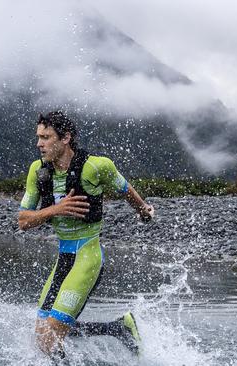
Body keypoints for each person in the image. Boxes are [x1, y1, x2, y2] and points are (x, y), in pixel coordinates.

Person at [18, 111, 155, 359]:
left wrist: (143, 210)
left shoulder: (96, 166)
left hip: (87, 257)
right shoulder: (37, 171)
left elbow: (124, 189)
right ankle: (117, 328)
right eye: (38, 137)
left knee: (49, 340)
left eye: (46, 137)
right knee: (41, 337)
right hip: (63, 258)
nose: (39, 143)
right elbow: (23, 221)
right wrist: (57, 209)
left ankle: (117, 329)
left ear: (66, 138)